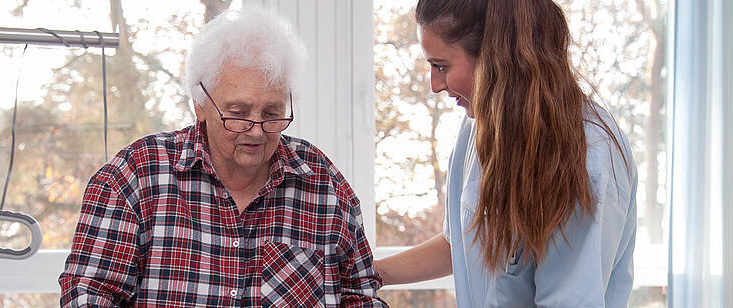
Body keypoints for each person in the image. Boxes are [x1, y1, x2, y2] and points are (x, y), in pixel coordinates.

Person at [59, 8, 386, 307]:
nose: (256, 131)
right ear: (200, 104)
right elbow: (89, 293)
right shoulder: (135, 176)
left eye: (272, 113)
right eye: (238, 112)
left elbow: (359, 295)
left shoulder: (323, 184)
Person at [374, 0, 638, 307]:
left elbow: (569, 300)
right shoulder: (478, 127)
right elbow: (461, 244)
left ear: (495, 58)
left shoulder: (589, 154)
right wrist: (364, 272)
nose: (434, 84)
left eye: (441, 66)